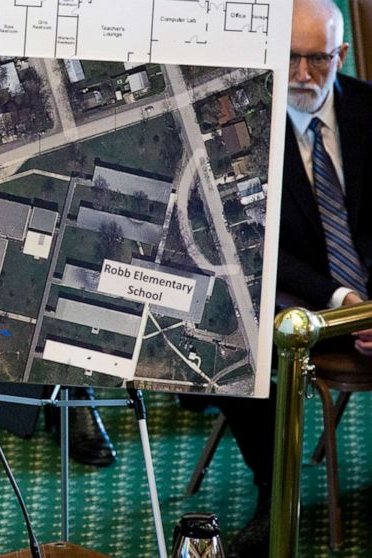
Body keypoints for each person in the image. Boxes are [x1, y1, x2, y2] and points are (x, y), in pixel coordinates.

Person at [213, 0, 372, 554]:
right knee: (228, 329)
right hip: (295, 285)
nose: (303, 75)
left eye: (318, 60)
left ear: (342, 55)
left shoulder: (370, 113)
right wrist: (346, 299)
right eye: (290, 59)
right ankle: (272, 486)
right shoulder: (240, 131)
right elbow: (255, 244)